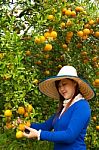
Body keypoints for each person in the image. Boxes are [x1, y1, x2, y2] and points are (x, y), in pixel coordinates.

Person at [23, 66, 95, 150]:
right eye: (59, 86)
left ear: (74, 83)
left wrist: (40, 134)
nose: (61, 89)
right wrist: (24, 124)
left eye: (64, 84)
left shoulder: (82, 106)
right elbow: (45, 126)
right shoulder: (64, 108)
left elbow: (69, 136)